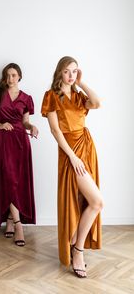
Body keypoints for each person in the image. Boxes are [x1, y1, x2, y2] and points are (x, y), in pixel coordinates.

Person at [41, 56, 103, 278]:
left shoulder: (79, 96)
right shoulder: (51, 96)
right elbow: (56, 131)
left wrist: (82, 83)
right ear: (59, 72)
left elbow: (97, 103)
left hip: (86, 147)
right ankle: (77, 251)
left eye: (75, 71)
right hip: (70, 153)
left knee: (85, 201)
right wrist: (72, 157)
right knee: (97, 202)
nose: (71, 75)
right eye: (67, 71)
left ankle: (77, 247)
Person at [0, 63, 38, 246]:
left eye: (14, 75)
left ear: (20, 76)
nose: (10, 79)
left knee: (17, 182)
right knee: (8, 179)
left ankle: (9, 219)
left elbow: (25, 122)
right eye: (7, 75)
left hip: (21, 142)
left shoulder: (26, 98)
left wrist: (33, 127)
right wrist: (0, 125)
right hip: (3, 140)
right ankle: (18, 224)